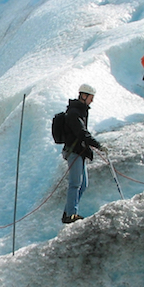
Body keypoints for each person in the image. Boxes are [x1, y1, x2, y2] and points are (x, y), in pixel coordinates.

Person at [61, 84, 102, 223]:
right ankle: (71, 215)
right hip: (74, 152)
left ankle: (68, 211)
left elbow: (81, 134)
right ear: (84, 96)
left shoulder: (80, 111)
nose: (92, 100)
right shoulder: (74, 113)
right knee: (76, 183)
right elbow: (81, 132)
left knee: (83, 184)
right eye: (91, 97)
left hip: (79, 151)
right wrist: (96, 144)